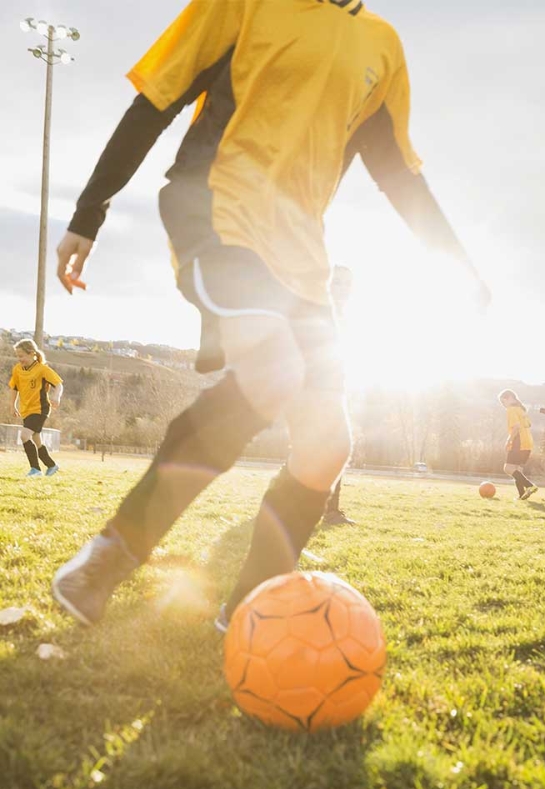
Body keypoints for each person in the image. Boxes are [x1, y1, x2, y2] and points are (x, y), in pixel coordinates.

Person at [51, 0, 490, 630]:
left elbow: (398, 174)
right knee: (273, 370)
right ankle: (107, 558)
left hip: (301, 259)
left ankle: (252, 610)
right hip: (215, 209)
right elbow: (155, 102)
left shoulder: (381, 45)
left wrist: (460, 267)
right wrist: (89, 213)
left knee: (325, 443)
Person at [322, 266, 356, 526]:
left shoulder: (344, 316)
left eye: (347, 283)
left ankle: (331, 511)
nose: (342, 287)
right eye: (337, 282)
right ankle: (329, 512)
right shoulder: (316, 310)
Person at [7, 339, 64, 477]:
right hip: (26, 410)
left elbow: (59, 384)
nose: (20, 359)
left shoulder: (42, 369)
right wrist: (13, 405)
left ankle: (35, 469)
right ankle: (51, 465)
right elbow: (14, 388)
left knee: (25, 435)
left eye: (22, 356)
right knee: (36, 439)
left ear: (32, 353)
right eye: (18, 356)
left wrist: (56, 396)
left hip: (40, 409)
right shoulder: (17, 370)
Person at [498, 389, 537, 500]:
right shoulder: (522, 410)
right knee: (517, 470)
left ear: (509, 397)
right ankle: (521, 495)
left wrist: (509, 440)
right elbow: (528, 425)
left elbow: (516, 427)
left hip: (518, 442)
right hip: (528, 442)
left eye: (503, 402)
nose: (503, 405)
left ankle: (530, 485)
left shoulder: (511, 410)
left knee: (508, 468)